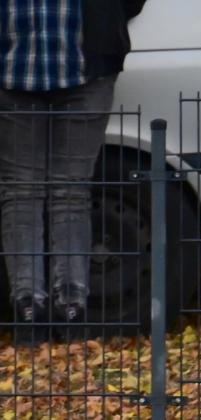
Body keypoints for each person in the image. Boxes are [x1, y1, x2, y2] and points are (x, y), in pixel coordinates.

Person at [0, 0, 146, 343]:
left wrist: (109, 16)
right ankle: (49, 308)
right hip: (19, 70)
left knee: (43, 191)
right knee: (47, 192)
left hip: (79, 68)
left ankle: (49, 309)